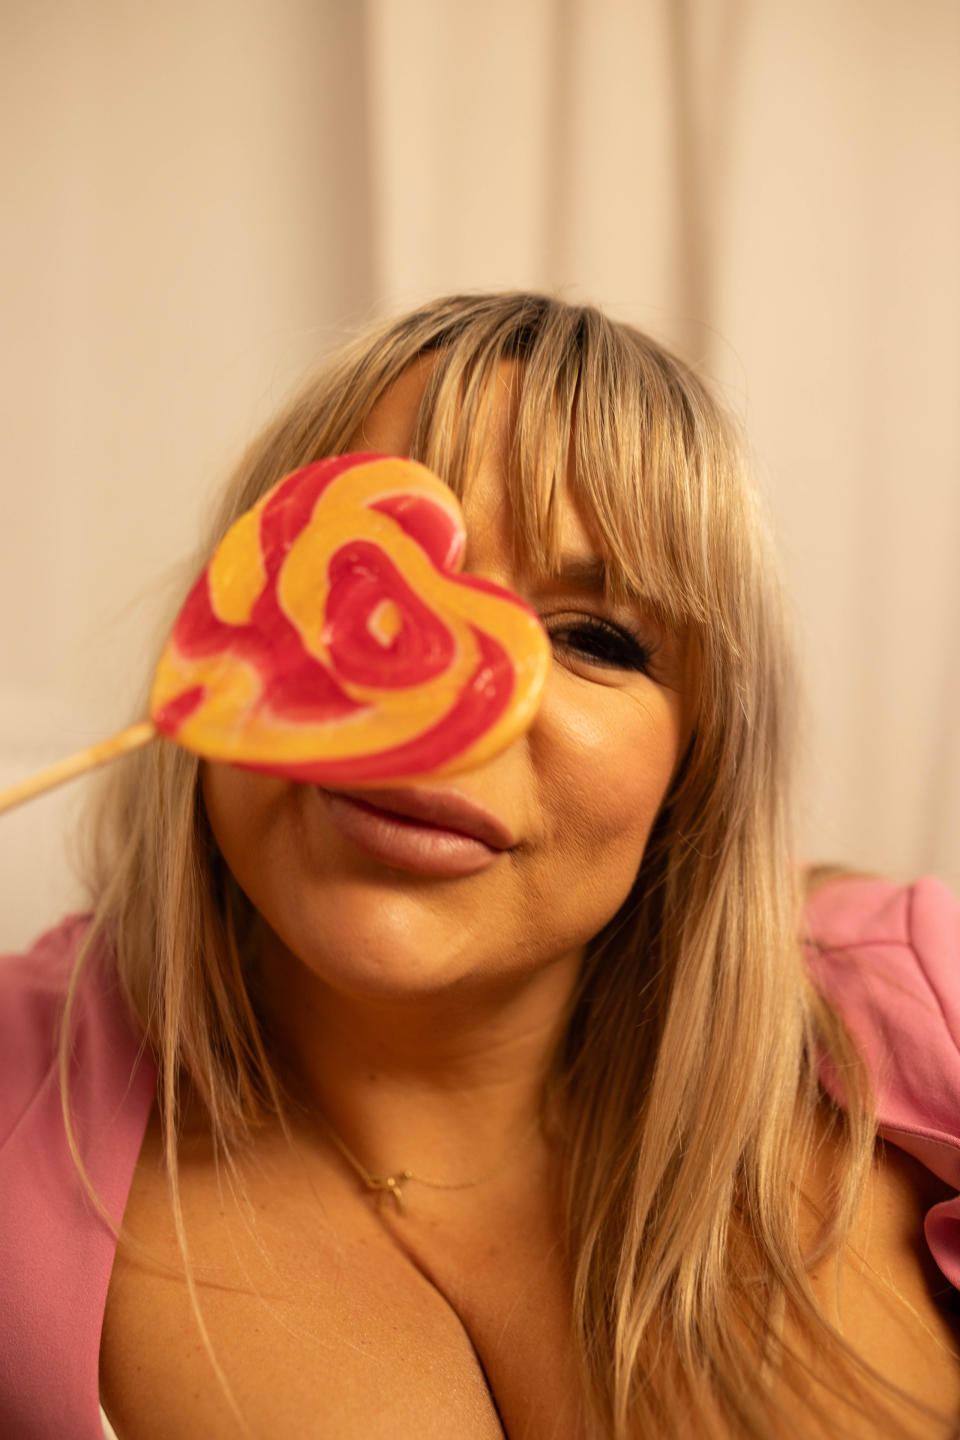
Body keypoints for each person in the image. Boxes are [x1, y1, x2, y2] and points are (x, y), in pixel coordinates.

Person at [1, 292, 959, 1440]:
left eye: (593, 638)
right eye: (367, 578)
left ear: (696, 768)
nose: (446, 696)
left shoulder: (930, 994)